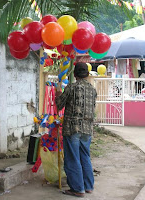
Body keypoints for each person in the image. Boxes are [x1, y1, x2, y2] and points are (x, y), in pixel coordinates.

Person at [55, 62, 97, 197]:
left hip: (72, 128)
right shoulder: (92, 89)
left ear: (74, 74)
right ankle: (88, 186)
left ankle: (77, 189)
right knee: (85, 156)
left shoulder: (71, 87)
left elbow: (59, 105)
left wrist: (58, 94)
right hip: (87, 129)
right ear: (88, 74)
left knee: (73, 158)